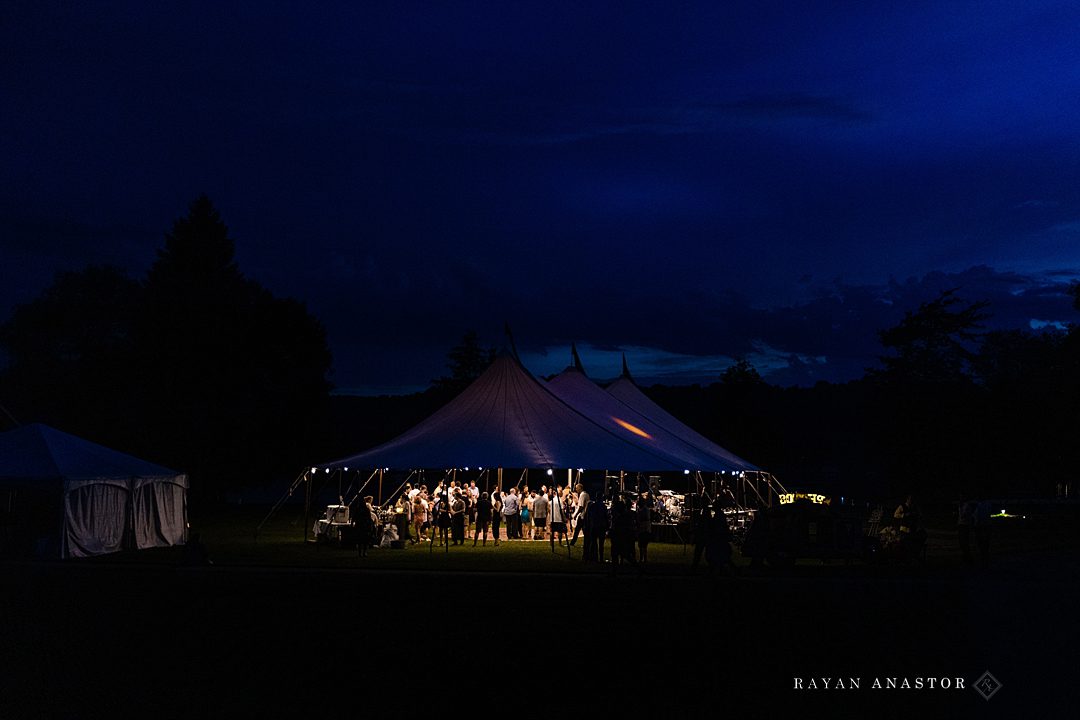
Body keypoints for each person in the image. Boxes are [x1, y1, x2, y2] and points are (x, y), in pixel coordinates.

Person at [957, 492, 975, 564]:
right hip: (962, 524)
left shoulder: (966, 505)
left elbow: (963, 516)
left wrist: (961, 508)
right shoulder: (963, 505)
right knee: (962, 542)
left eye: (961, 497)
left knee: (964, 542)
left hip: (965, 525)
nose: (960, 498)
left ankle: (968, 557)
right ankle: (966, 556)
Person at [636, 491, 653, 563]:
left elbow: (642, 519)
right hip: (644, 528)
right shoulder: (645, 509)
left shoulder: (644, 510)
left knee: (643, 544)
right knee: (642, 545)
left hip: (644, 529)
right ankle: (643, 558)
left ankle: (643, 558)